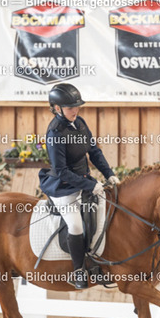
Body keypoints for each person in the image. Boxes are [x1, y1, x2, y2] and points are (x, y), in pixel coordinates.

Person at [38, 83, 120, 289]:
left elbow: (94, 152)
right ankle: (78, 271)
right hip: (63, 187)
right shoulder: (55, 133)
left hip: (84, 181)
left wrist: (109, 174)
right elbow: (62, 171)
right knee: (75, 225)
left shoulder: (80, 123)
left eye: (77, 106)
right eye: (70, 107)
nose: (75, 110)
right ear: (57, 108)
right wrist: (89, 184)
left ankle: (99, 263)